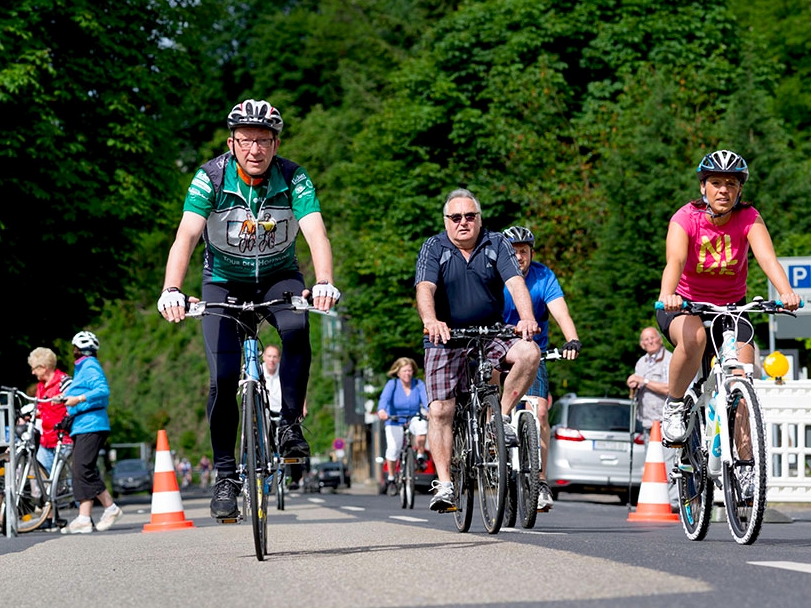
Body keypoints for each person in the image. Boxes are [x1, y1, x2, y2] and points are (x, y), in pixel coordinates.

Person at [157, 98, 339, 521]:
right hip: (223, 280)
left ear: (276, 144)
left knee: (295, 330)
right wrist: (171, 288)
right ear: (231, 142)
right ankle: (225, 476)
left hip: (279, 275)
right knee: (222, 379)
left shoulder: (294, 178)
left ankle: (290, 424)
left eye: (263, 140)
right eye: (245, 140)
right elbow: (185, 236)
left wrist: (324, 281)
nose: (254, 149)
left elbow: (316, 232)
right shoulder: (210, 178)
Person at [657, 149, 801, 446]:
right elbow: (675, 260)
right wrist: (667, 295)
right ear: (703, 187)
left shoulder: (749, 217)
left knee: (742, 380)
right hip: (686, 303)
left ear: (739, 190)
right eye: (716, 183)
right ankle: (674, 404)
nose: (724, 190)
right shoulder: (685, 218)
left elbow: (768, 258)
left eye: (731, 184)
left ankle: (746, 468)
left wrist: (786, 291)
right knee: (694, 338)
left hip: (732, 307)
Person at [415, 188, 540, 512]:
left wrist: (526, 318)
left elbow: (515, 283)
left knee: (529, 353)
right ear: (446, 221)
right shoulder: (434, 246)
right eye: (456, 217)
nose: (463, 223)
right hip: (446, 335)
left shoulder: (496, 242)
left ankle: (501, 418)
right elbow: (425, 288)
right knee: (441, 409)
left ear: (479, 219)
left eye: (470, 216)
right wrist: (431, 321)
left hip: (490, 330)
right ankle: (445, 484)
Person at [502, 226, 581, 512]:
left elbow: (560, 311)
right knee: (492, 401)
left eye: (523, 251)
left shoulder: (543, 275)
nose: (519, 256)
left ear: (531, 253)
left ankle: (541, 480)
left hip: (534, 353)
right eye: (513, 252)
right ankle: (490, 443)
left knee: (541, 412)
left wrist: (571, 338)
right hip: (499, 350)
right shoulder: (495, 275)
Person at [58, 331, 123, 534]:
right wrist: (65, 397)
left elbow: (102, 390)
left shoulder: (89, 365)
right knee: (80, 471)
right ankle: (84, 517)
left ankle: (110, 507)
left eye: (74, 349)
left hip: (92, 425)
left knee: (83, 469)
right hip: (83, 426)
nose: (73, 352)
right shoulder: (83, 368)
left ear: (78, 349)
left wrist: (78, 399)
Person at [626, 327, 679, 508]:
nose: (649, 342)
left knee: (669, 461)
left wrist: (644, 381)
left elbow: (670, 388)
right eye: (645, 340)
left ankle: (672, 501)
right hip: (648, 420)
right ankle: (657, 499)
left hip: (665, 419)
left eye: (652, 338)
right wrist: (633, 385)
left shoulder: (670, 359)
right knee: (653, 462)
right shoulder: (641, 362)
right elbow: (638, 388)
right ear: (641, 344)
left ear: (660, 339)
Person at [377, 357, 429, 496]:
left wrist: (429, 411)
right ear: (398, 372)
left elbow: (425, 400)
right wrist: (382, 411)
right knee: (394, 448)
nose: (408, 373)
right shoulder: (392, 384)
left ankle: (420, 455)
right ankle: (392, 479)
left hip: (413, 417)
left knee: (422, 425)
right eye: (405, 371)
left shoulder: (418, 384)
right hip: (394, 420)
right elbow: (384, 400)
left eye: (410, 371)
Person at [27, 347, 73, 472]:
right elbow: (42, 410)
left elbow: (74, 400)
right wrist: (29, 415)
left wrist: (63, 397)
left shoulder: (64, 381)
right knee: (42, 477)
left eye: (34, 368)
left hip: (63, 440)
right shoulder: (41, 386)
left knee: (68, 480)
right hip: (46, 441)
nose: (33, 372)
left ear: (43, 367)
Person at [262, 344, 282, 415]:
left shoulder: (285, 372)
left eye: (274, 357)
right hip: (264, 413)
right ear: (263, 357)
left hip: (282, 412)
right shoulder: (259, 372)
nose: (271, 360)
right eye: (269, 356)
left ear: (279, 358)